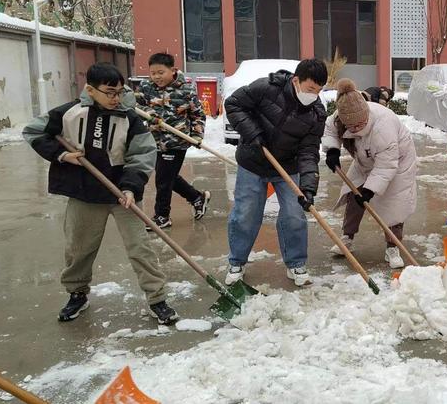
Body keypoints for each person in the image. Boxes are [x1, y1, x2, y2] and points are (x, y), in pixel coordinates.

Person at [23, 63, 178, 325]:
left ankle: (157, 298)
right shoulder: (70, 113)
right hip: (84, 193)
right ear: (90, 90)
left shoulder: (129, 118)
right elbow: (33, 131)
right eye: (109, 92)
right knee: (79, 249)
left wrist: (131, 187)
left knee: (140, 248)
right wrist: (62, 155)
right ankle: (77, 293)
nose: (115, 98)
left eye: (119, 92)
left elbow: (142, 154)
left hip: (123, 194)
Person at [223, 59, 328, 287]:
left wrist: (308, 188)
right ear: (296, 80)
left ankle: (296, 263)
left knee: (294, 214)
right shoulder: (266, 88)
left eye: (319, 91)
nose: (314, 95)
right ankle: (236, 261)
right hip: (253, 161)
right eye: (310, 89)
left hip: (288, 168)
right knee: (246, 214)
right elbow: (233, 104)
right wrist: (252, 133)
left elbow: (309, 152)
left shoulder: (317, 113)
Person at [323, 79, 418, 269]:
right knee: (353, 194)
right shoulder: (340, 114)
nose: (357, 128)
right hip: (364, 158)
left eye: (360, 124)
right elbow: (330, 130)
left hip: (397, 163)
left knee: (394, 203)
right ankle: (346, 238)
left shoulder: (384, 126)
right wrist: (332, 150)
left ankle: (393, 246)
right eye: (352, 127)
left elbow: (386, 166)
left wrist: (370, 190)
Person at [135, 53, 210, 230]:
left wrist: (197, 136)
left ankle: (162, 216)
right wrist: (148, 112)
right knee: (168, 177)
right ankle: (197, 197)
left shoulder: (186, 90)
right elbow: (135, 105)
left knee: (163, 179)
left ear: (173, 70)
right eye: (153, 73)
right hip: (153, 140)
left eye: (161, 72)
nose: (156, 77)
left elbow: (198, 115)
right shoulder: (146, 87)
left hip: (176, 141)